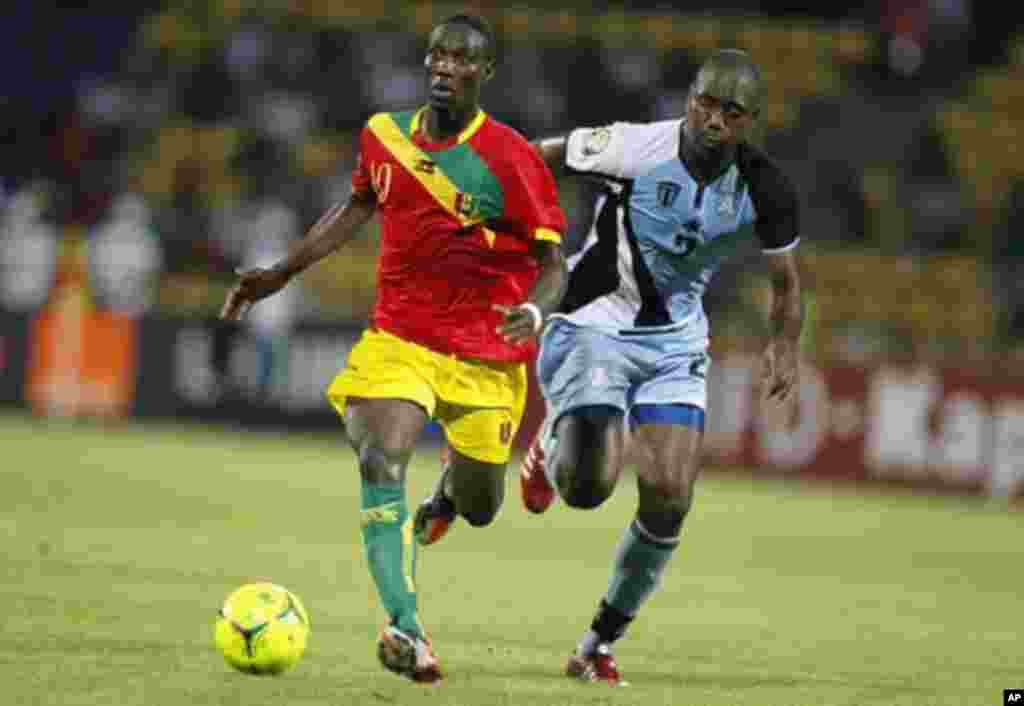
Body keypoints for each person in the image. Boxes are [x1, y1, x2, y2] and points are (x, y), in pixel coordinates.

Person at [220, 14, 567, 684]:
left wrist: (533, 308)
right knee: (381, 457)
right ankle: (408, 627)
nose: (443, 67)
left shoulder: (511, 158)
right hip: (400, 340)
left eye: (461, 59)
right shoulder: (383, 135)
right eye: (436, 55)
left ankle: (445, 501)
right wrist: (282, 271)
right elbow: (354, 206)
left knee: (481, 504)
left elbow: (555, 265)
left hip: (487, 357)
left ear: (483, 74)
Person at [519, 49, 804, 686]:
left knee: (672, 497)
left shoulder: (767, 188)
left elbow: (786, 283)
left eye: (730, 112)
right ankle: (552, 439)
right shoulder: (631, 148)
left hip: (675, 339)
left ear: (748, 121)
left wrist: (784, 344)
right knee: (588, 489)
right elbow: (531, 156)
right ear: (688, 100)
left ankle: (596, 642)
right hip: (595, 323)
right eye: (704, 102)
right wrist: (528, 237)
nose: (712, 120)